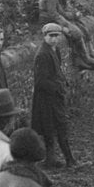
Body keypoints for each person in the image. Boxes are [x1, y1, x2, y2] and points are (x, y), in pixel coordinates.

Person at [31, 23, 76, 168]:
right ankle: (68, 160)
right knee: (54, 129)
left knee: (56, 128)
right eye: (51, 36)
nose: (54, 39)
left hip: (54, 97)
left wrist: (63, 83)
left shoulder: (54, 50)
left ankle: (54, 160)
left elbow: (57, 72)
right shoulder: (42, 54)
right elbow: (40, 81)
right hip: (46, 99)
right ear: (44, 37)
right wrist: (58, 88)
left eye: (57, 36)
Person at [38, 0, 94, 76]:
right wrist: (66, 25)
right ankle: (84, 58)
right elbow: (54, 15)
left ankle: (83, 58)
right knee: (76, 32)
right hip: (48, 21)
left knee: (78, 28)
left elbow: (61, 10)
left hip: (55, 18)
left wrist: (72, 16)